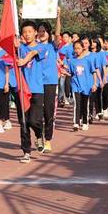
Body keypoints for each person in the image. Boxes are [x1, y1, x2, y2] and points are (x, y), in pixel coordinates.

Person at [16, 20, 46, 163]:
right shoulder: (19, 48)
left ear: (35, 33)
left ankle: (40, 135)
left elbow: (34, 52)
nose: (27, 35)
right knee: (24, 121)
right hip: (22, 89)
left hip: (36, 89)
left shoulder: (42, 47)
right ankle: (26, 151)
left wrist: (24, 60)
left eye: (29, 32)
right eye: (24, 32)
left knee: (34, 120)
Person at [37, 9, 61, 153]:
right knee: (36, 113)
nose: (41, 33)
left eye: (44, 30)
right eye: (39, 31)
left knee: (48, 112)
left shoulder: (53, 46)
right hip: (36, 83)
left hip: (50, 82)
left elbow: (58, 34)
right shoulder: (33, 46)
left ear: (49, 32)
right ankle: (38, 136)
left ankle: (48, 140)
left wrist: (58, 16)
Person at [66, 40, 96, 132]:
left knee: (85, 105)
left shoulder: (88, 59)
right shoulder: (72, 61)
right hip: (76, 86)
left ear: (83, 48)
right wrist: (65, 72)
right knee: (77, 104)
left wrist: (94, 83)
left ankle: (85, 122)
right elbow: (71, 73)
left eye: (78, 48)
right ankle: (75, 123)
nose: (77, 50)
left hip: (86, 86)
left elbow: (93, 72)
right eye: (75, 48)